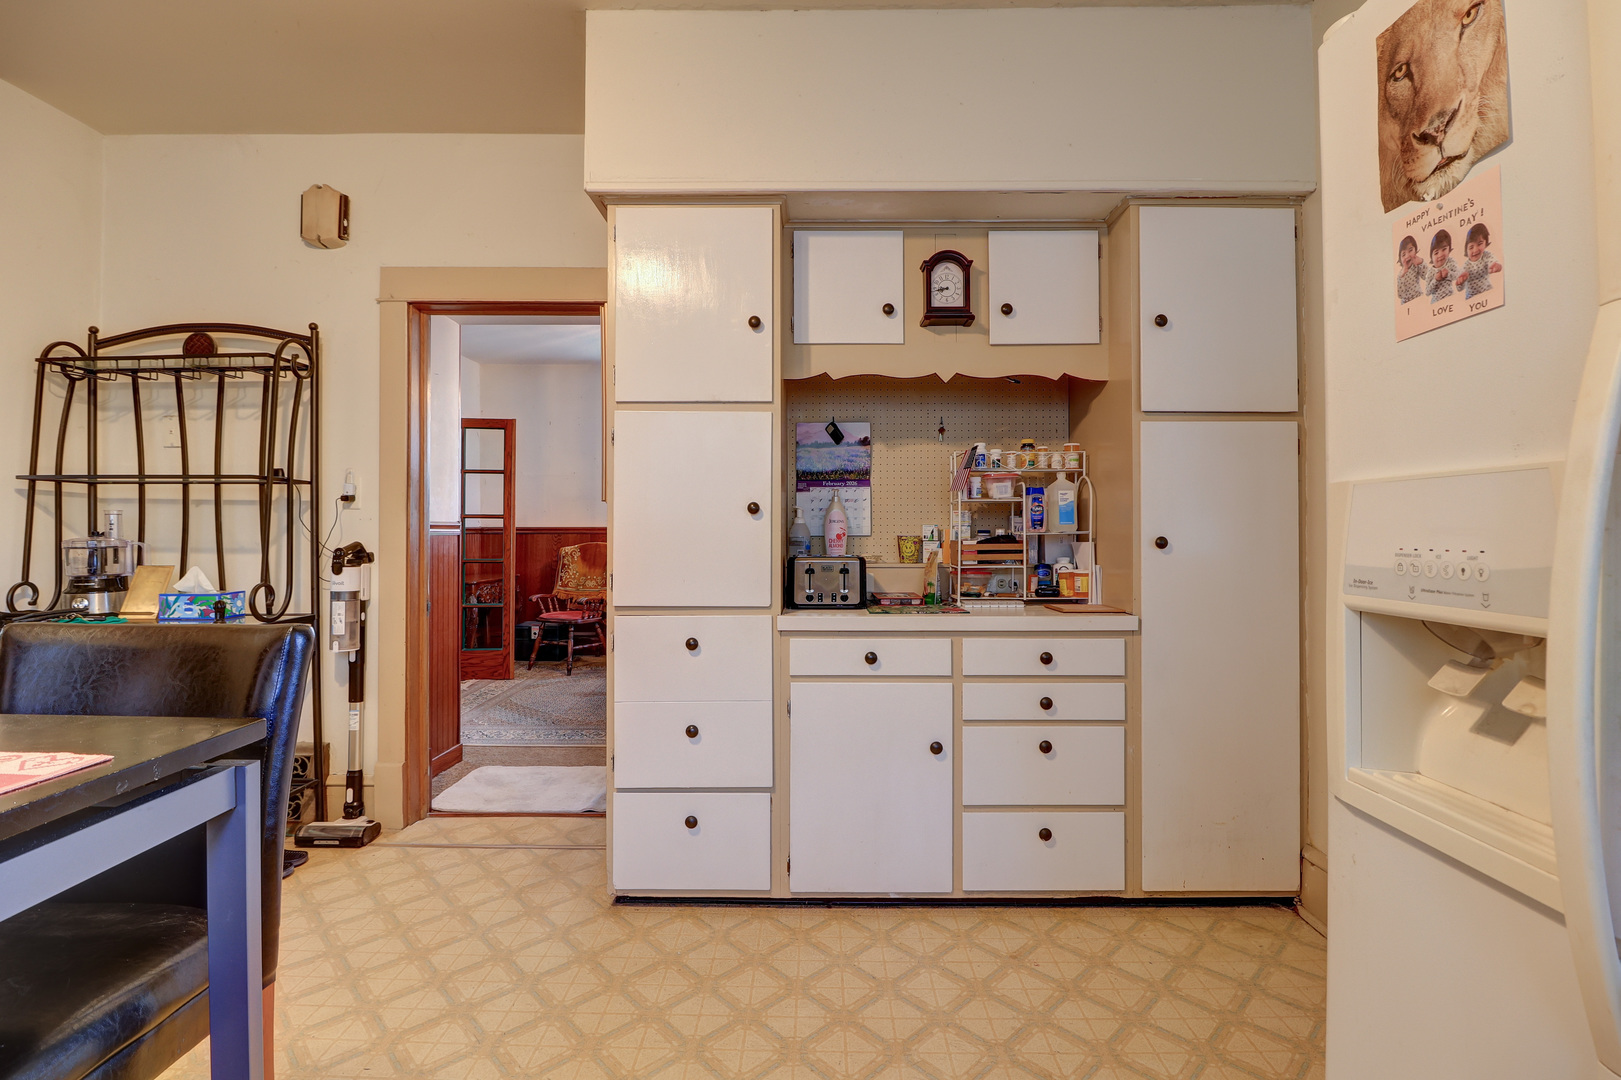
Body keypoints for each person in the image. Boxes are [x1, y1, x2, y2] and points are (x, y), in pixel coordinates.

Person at [1459, 222, 1503, 299]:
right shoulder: (1466, 266)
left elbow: (1492, 261)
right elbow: (1460, 289)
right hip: (1471, 297)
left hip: (1487, 291)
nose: (1475, 249)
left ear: (1485, 244)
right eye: (1471, 247)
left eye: (1479, 244)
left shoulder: (1486, 256)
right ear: (1466, 249)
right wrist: (1461, 281)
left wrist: (1496, 266)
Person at [1426, 229, 1459, 303]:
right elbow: (1427, 292)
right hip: (1436, 303)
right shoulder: (1431, 272)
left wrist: (1448, 274)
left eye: (1444, 249)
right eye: (1436, 252)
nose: (1440, 255)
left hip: (1450, 299)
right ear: (1431, 256)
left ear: (1449, 250)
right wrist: (1436, 280)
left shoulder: (1450, 262)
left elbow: (1458, 275)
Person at [1396, 235, 1425, 304]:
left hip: (1418, 297)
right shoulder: (1401, 274)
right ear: (1400, 259)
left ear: (1415, 251)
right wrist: (1402, 276)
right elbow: (1400, 295)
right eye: (1403, 254)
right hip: (1406, 303)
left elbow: (1426, 276)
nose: (1407, 256)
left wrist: (1421, 262)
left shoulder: (1416, 265)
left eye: (1410, 250)